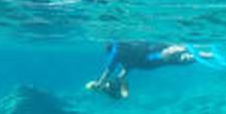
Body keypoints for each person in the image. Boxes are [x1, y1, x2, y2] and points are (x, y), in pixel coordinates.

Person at [86, 41, 214, 99]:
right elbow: (128, 66)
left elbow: (109, 70)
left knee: (170, 58)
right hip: (148, 53)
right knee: (172, 59)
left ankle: (188, 51)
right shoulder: (123, 47)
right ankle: (201, 54)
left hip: (148, 61)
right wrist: (119, 78)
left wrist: (100, 83)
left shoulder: (116, 53)